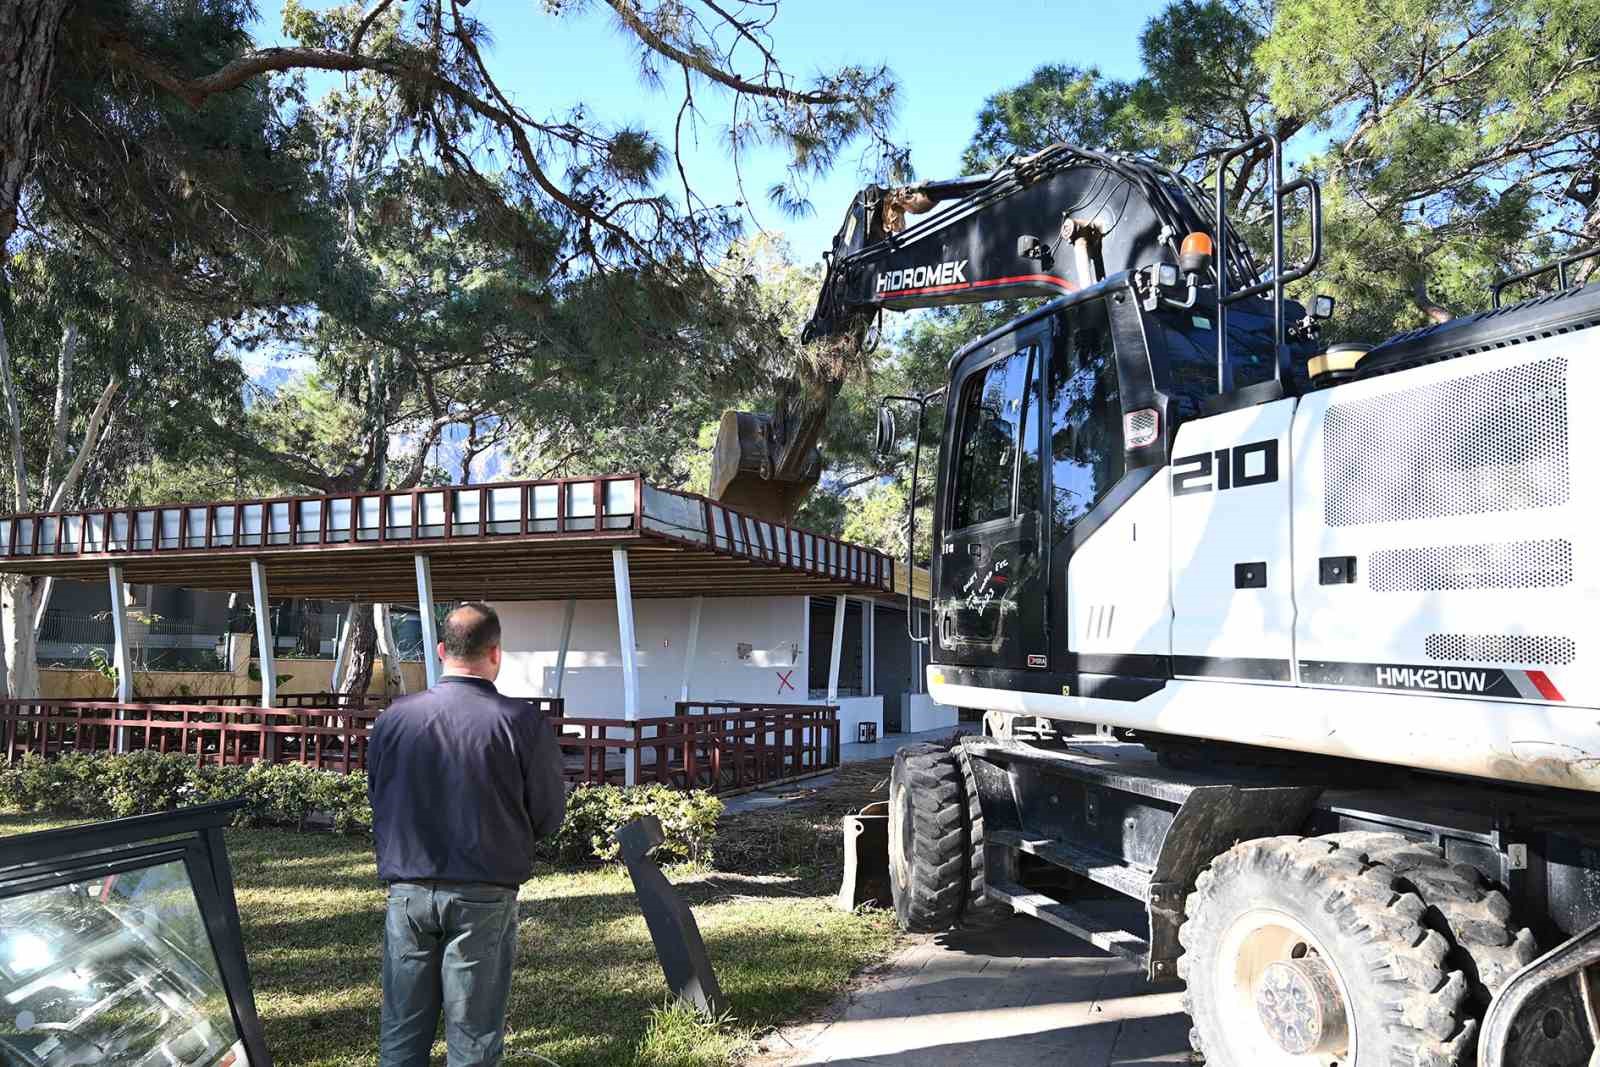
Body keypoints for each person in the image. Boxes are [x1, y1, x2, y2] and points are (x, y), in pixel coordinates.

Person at [367, 602, 566, 1066]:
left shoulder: (395, 717)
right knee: (474, 1034)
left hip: (408, 889)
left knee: (400, 1030)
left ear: (440, 650)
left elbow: (378, 795)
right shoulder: (521, 722)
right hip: (484, 888)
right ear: (496, 654)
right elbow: (549, 813)